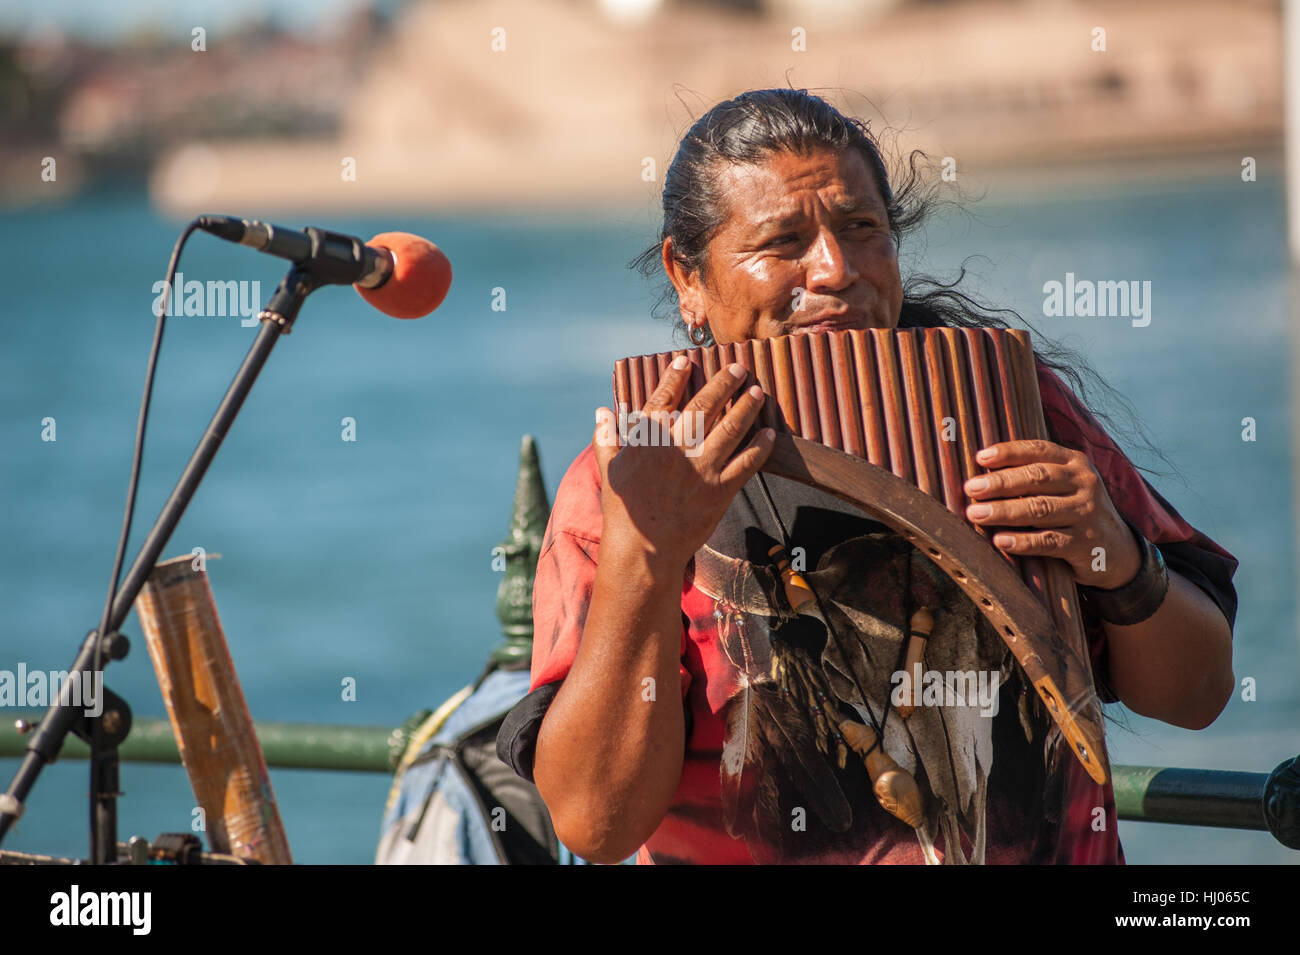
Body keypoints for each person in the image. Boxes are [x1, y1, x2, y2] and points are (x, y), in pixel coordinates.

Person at [497, 89, 1238, 864]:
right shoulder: (624, 482)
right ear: (688, 277)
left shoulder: (1006, 402)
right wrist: (641, 555)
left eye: (862, 229)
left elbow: (1197, 696)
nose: (836, 270)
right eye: (782, 241)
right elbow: (594, 822)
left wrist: (1118, 559)